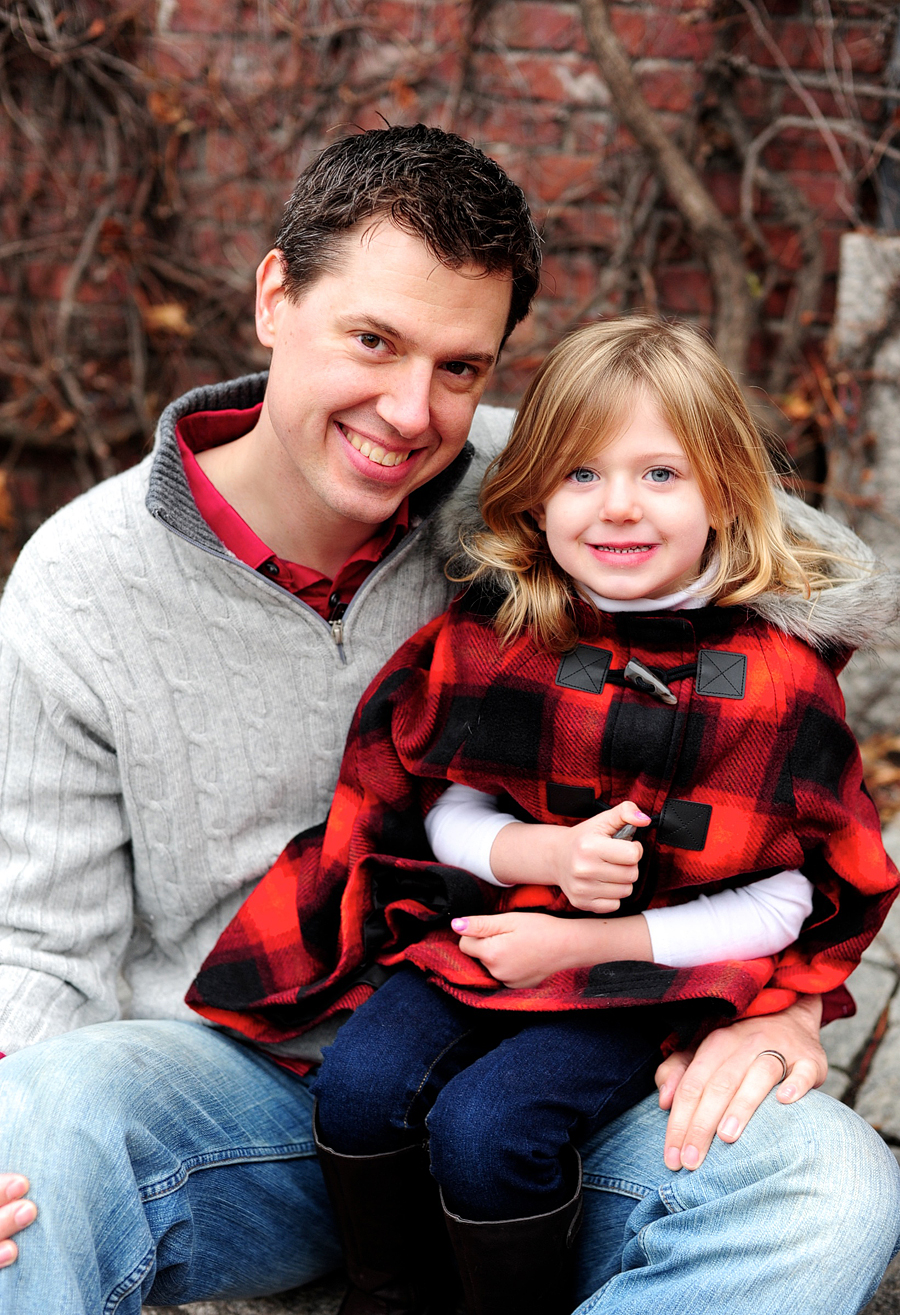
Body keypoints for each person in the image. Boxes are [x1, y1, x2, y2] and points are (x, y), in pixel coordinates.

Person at [0, 125, 896, 1314]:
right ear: (276, 295)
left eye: (462, 367)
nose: (410, 411)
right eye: (372, 340)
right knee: (41, 1128)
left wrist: (779, 1000)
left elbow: (836, 572)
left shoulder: (529, 487)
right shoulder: (83, 581)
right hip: (245, 1097)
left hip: (552, 1094)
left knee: (829, 1186)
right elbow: (40, 944)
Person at [188, 316, 899, 1315]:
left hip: (652, 976)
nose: (618, 507)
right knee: (358, 1083)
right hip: (496, 931)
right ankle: (391, 1291)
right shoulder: (509, 628)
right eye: (580, 474)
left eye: (661, 475)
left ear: (726, 493)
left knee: (490, 1126)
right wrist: (540, 851)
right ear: (533, 492)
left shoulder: (773, 685)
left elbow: (792, 895)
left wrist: (584, 941)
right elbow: (447, 807)